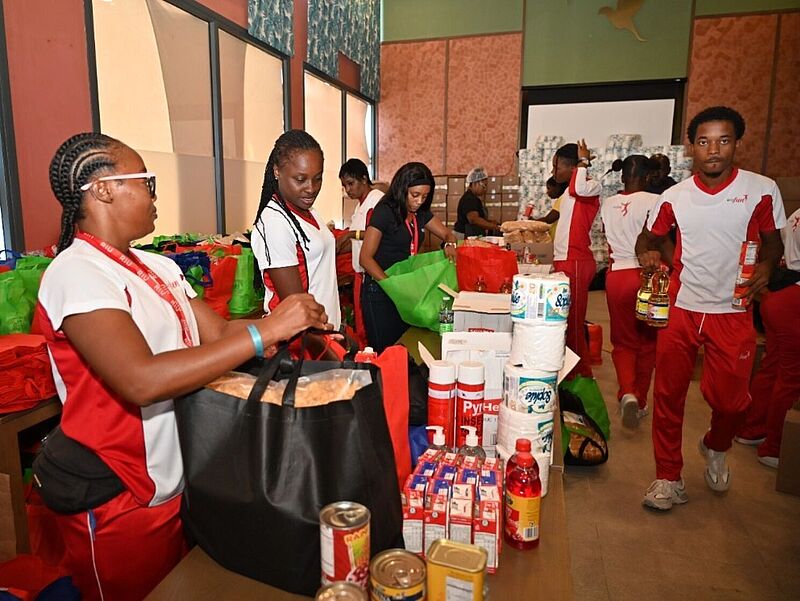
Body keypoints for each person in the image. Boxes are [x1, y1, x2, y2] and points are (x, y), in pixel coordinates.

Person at [37, 132, 330, 599]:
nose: (154, 195)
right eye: (146, 181)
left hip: (179, 473)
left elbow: (220, 334)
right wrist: (265, 331)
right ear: (104, 189)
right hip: (121, 490)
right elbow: (140, 379)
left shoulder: (158, 267)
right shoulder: (77, 273)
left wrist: (285, 321)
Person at [635, 106, 786, 511]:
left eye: (723, 140)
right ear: (692, 149)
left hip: (733, 310)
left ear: (737, 144)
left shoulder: (761, 189)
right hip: (682, 308)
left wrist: (767, 266)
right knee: (668, 396)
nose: (713, 150)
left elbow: (773, 243)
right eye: (704, 141)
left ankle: (716, 446)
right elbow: (647, 239)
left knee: (731, 402)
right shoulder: (674, 197)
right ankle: (668, 477)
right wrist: (649, 254)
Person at [359, 162, 458, 352]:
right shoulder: (385, 212)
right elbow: (365, 258)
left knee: (405, 347)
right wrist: (391, 286)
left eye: (425, 196)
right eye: (415, 195)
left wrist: (450, 244)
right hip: (380, 289)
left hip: (403, 289)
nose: (419, 201)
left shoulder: (420, 213)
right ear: (402, 189)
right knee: (385, 351)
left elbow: (448, 234)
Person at [251, 130, 341, 335]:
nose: (311, 188)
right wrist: (326, 344)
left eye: (318, 179)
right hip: (304, 339)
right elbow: (297, 310)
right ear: (277, 171)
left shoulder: (308, 210)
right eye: (300, 179)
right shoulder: (275, 223)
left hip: (324, 331)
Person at [735, 207, 800, 467]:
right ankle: (774, 447)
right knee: (790, 378)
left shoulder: (795, 214)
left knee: (772, 368)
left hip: (779, 294)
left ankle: (752, 429)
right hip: (794, 298)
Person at [600, 155, 659, 427]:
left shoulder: (608, 204)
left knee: (623, 342)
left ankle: (627, 392)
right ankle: (641, 400)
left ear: (622, 177)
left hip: (617, 276)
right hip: (647, 275)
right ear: (647, 176)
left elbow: (606, 237)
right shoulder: (656, 201)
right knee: (647, 342)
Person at [551, 140, 603, 378]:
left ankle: (580, 374)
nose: (554, 172)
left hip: (576, 260)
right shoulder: (568, 192)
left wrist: (583, 163)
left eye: (557, 166)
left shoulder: (590, 186)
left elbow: (578, 188)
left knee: (573, 322)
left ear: (572, 167)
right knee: (564, 321)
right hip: (565, 259)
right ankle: (570, 370)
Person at [337, 158, 384, 344]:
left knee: (368, 322)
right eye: (344, 186)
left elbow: (376, 233)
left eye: (350, 183)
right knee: (361, 321)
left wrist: (349, 235)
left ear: (364, 179)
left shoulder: (377, 200)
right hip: (359, 271)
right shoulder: (359, 205)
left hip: (371, 271)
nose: (347, 190)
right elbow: (356, 241)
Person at [453, 166, 499, 238]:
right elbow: (474, 219)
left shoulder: (474, 198)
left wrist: (489, 222)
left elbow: (477, 217)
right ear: (475, 183)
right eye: (484, 186)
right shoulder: (469, 199)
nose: (485, 190)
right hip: (463, 237)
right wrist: (494, 227)